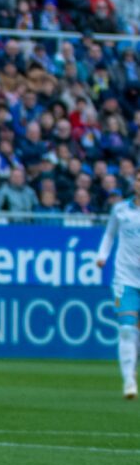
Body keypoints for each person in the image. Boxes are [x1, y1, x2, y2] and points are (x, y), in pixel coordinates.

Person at [96, 170, 140, 399]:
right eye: (139, 179)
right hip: (125, 278)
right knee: (126, 328)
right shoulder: (120, 209)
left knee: (136, 332)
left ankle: (132, 366)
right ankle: (129, 381)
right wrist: (101, 255)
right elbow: (109, 234)